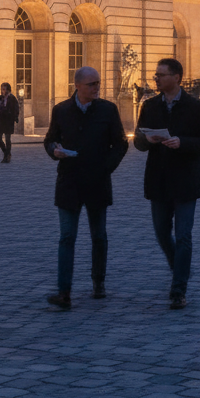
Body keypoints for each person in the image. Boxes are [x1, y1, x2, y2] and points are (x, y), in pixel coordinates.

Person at [42, 67, 128, 310]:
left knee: (99, 236)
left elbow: (120, 144)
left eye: (97, 83)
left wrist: (106, 168)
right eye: (92, 84)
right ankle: (64, 291)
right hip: (69, 182)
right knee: (67, 237)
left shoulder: (108, 110)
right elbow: (49, 139)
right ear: (77, 85)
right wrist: (54, 151)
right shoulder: (61, 110)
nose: (96, 87)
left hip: (97, 182)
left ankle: (98, 282)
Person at [133, 57, 200, 310]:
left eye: (161, 75)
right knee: (160, 231)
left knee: (184, 236)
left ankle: (178, 289)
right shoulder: (150, 106)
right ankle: (177, 264)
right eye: (156, 75)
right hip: (158, 179)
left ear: (177, 77)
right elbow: (137, 141)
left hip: (186, 179)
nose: (156, 78)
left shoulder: (196, 107)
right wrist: (149, 140)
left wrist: (183, 143)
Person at [0, 83, 20, 162]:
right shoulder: (0, 98)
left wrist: (15, 117)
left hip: (8, 120)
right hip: (1, 120)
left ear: (8, 89)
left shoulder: (12, 98)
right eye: (2, 89)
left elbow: (16, 109)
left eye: (4, 89)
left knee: (7, 138)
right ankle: (6, 152)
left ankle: (7, 156)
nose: (3, 91)